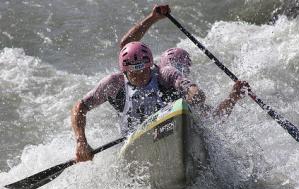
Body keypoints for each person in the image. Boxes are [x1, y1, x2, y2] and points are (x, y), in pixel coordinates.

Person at [71, 5, 249, 162]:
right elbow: (80, 107)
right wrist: (81, 142)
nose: (141, 76)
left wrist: (211, 96)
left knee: (202, 118)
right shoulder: (113, 83)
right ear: (125, 71)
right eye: (135, 73)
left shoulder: (166, 75)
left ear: (151, 65)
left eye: (145, 70)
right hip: (135, 144)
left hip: (172, 129)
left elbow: (205, 107)